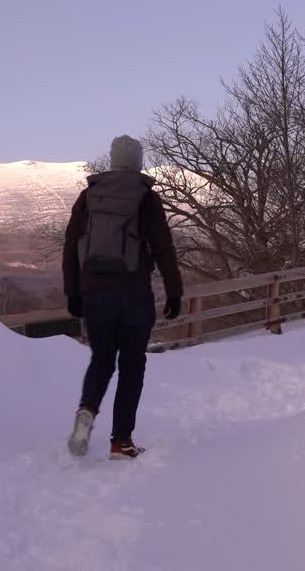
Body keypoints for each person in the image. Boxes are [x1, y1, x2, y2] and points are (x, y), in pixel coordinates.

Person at [63, 135, 183, 460]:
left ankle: (87, 411)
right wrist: (175, 291)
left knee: (101, 361)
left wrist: (74, 293)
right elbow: (163, 249)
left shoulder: (89, 196)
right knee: (132, 365)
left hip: (95, 295)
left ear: (113, 160)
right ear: (138, 162)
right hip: (134, 295)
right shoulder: (146, 198)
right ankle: (121, 442)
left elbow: (71, 247)